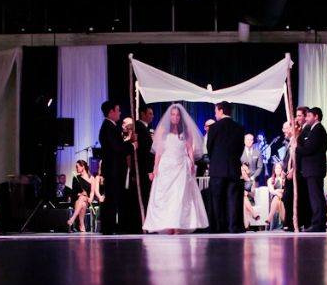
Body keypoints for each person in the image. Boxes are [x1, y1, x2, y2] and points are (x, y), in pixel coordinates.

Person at [142, 104, 209, 233]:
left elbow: (189, 149)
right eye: (173, 114)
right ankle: (168, 224)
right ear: (169, 116)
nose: (175, 117)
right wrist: (155, 167)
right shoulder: (162, 130)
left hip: (181, 166)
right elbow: (159, 151)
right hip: (166, 166)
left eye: (178, 115)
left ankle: (178, 224)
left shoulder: (186, 130)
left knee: (179, 196)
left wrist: (192, 164)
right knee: (166, 196)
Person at [205, 101, 246, 233]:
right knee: (233, 199)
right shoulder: (239, 128)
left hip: (217, 168)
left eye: (216, 111)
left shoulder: (213, 128)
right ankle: (233, 226)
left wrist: (215, 160)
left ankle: (219, 227)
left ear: (221, 111)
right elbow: (240, 148)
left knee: (217, 199)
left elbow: (209, 147)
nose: (215, 114)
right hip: (233, 168)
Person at [97, 100, 129, 234]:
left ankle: (110, 226)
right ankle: (108, 227)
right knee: (111, 198)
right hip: (112, 169)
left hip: (114, 169)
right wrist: (131, 145)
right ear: (111, 112)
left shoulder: (111, 127)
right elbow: (116, 147)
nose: (120, 113)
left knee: (114, 198)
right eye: (118, 110)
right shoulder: (108, 127)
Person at [296, 106, 327, 232]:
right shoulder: (311, 129)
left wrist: (296, 148)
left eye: (309, 116)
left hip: (314, 168)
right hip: (312, 169)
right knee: (315, 197)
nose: (306, 118)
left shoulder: (318, 130)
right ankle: (317, 222)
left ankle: (318, 223)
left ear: (316, 117)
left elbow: (309, 149)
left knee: (317, 197)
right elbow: (302, 141)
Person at [66, 160, 99, 232]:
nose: (76, 169)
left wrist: (90, 198)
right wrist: (80, 194)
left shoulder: (91, 178)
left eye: (77, 167)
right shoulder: (75, 178)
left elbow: (92, 192)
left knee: (83, 200)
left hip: (88, 199)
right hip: (77, 200)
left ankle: (73, 218)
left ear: (83, 167)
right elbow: (73, 192)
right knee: (82, 202)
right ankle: (81, 224)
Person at [267, 162, 286, 229]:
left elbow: (286, 190)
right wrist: (278, 192)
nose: (278, 169)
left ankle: (269, 218)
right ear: (274, 170)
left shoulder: (285, 179)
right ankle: (285, 223)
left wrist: (280, 190)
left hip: (284, 197)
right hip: (275, 198)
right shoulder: (270, 180)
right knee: (277, 198)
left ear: (282, 169)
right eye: (276, 168)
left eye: (279, 168)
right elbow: (271, 190)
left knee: (280, 199)